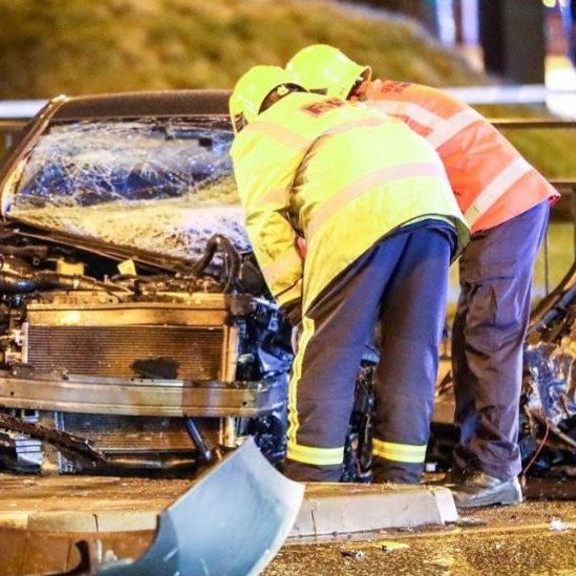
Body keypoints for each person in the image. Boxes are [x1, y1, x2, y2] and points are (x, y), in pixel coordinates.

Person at [288, 45, 559, 507]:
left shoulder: (366, 118)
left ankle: (495, 471)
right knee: (474, 333)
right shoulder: (385, 101)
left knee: (487, 336)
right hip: (505, 200)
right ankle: (480, 464)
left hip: (502, 205)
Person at [228, 65, 468, 484]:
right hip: (433, 208)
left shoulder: (261, 131)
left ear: (244, 117)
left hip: (360, 212)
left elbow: (266, 223)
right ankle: (401, 479)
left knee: (328, 354)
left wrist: (293, 299)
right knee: (412, 352)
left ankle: (313, 481)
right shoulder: (342, 109)